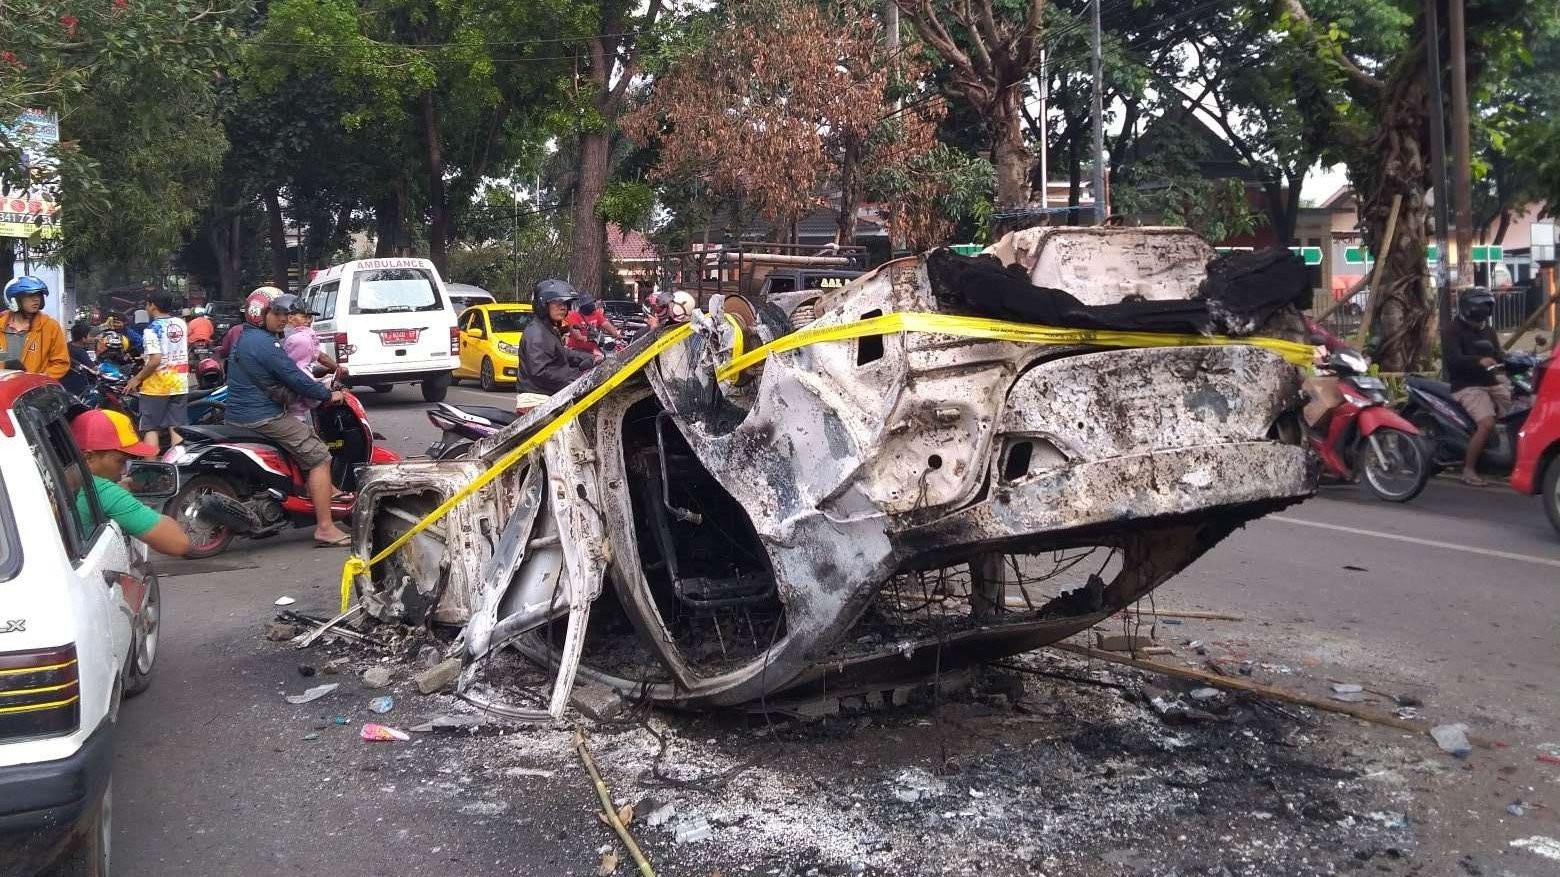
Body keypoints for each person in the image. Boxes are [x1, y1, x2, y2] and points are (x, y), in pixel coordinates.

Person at [226, 287, 350, 546]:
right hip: (263, 416)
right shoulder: (265, 343)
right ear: (261, 314)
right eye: (277, 312)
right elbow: (294, 377)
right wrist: (327, 396)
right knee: (318, 455)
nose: (283, 318)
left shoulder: (245, 338)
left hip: (238, 415)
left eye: (285, 313)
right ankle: (325, 528)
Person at [68, 408, 191, 557]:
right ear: (89, 457)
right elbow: (178, 543)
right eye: (120, 461)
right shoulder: (101, 490)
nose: (123, 471)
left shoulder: (56, 477)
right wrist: (122, 498)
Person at [1443, 287, 1509, 487]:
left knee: (1521, 412)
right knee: (1486, 423)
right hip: (1467, 386)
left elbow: (1498, 355)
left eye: (1487, 308)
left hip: (1491, 382)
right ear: (1470, 308)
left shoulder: (1487, 330)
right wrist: (1478, 361)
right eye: (1482, 307)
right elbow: (1453, 360)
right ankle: (1468, 470)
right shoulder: (1451, 330)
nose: (1485, 312)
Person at [516, 279, 600, 411]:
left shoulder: (547, 329)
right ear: (543, 304)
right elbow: (540, 371)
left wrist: (590, 358)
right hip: (537, 402)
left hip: (550, 396)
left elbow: (562, 353)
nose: (563, 307)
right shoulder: (536, 333)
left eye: (566, 303)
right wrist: (577, 375)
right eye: (557, 302)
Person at [123, 290, 190, 454]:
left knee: (151, 428)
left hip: (156, 386)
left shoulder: (151, 330)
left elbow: (155, 360)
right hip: (179, 383)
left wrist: (136, 379)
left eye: (147, 304)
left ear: (153, 306)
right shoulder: (181, 324)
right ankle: (178, 468)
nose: (146, 307)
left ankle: (151, 472)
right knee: (176, 427)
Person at [1, 276, 70, 379]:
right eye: (30, 295)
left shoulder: (50, 326)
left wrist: (39, 379)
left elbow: (61, 363)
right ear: (15, 300)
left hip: (34, 391)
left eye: (38, 295)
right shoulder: (2, 325)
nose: (36, 299)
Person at [281, 296, 332, 423]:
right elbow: (299, 371)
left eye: (310, 317)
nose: (309, 320)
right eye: (304, 316)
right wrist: (320, 396)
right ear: (290, 318)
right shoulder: (299, 339)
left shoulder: (294, 336)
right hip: (293, 408)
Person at [60, 322, 97, 397]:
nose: (91, 338)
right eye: (89, 335)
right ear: (83, 338)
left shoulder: (67, 345)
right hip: (77, 388)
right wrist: (99, 352)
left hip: (63, 383)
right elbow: (94, 369)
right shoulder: (81, 353)